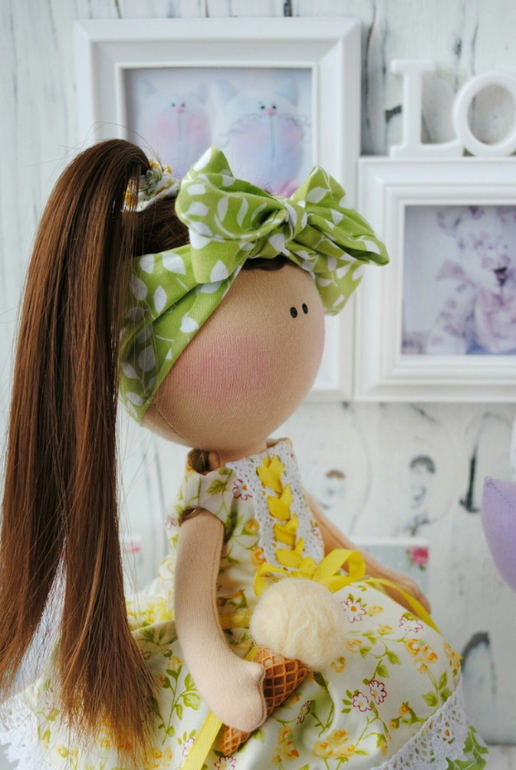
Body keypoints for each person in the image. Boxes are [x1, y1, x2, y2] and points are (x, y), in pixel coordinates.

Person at [0, 140, 487, 769]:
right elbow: (192, 606)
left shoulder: (273, 458)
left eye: (301, 305)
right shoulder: (211, 493)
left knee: (405, 668)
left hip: (315, 605)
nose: (301, 316)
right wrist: (221, 676)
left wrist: (377, 572)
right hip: (241, 637)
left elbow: (312, 524)